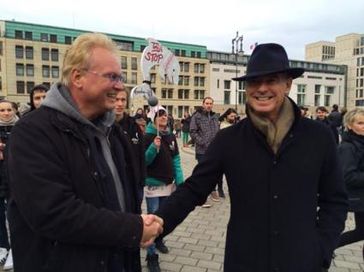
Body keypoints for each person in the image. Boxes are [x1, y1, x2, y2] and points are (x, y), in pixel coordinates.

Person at [155, 43, 348, 272]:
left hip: (302, 261)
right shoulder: (229, 139)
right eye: (255, 82)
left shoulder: (319, 137)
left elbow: (334, 201)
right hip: (245, 261)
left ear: (287, 84)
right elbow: (194, 189)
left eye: (272, 80)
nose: (262, 88)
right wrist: (158, 223)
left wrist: (322, 249)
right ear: (246, 88)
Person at [6, 33, 163, 272]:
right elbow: (54, 213)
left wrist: (137, 230)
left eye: (119, 77)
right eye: (112, 77)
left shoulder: (114, 133)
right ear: (77, 77)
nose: (120, 86)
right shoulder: (32, 133)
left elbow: (127, 202)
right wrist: (133, 229)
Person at [144, 106, 184, 272]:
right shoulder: (148, 136)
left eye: (165, 115)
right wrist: (154, 147)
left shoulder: (171, 136)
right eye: (159, 115)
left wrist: (181, 181)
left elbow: (176, 160)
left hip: (168, 185)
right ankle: (151, 255)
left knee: (163, 217)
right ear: (153, 118)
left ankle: (159, 240)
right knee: (152, 219)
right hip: (152, 185)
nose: (163, 118)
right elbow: (144, 161)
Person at [337, 108, 364, 259]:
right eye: (360, 123)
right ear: (349, 125)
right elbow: (347, 176)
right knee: (361, 232)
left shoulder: (361, 142)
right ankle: (325, 247)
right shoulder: (347, 147)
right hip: (358, 197)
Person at [114, 87, 145, 207]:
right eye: (116, 99)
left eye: (123, 100)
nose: (120, 104)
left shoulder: (133, 125)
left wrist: (141, 180)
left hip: (134, 183)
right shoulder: (103, 126)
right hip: (115, 184)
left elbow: (141, 155)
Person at [190, 97, 220, 205]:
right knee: (203, 172)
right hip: (202, 150)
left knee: (213, 171)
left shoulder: (215, 117)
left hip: (214, 150)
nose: (209, 105)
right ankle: (202, 196)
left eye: (211, 103)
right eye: (207, 103)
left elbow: (218, 131)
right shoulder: (197, 116)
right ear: (203, 104)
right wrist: (202, 142)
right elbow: (193, 132)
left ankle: (212, 190)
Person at [0, 100, 19, 267]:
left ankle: (15, 248)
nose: (6, 113)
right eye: (2, 110)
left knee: (15, 215)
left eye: (9, 110)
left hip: (16, 178)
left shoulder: (23, 128)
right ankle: (3, 247)